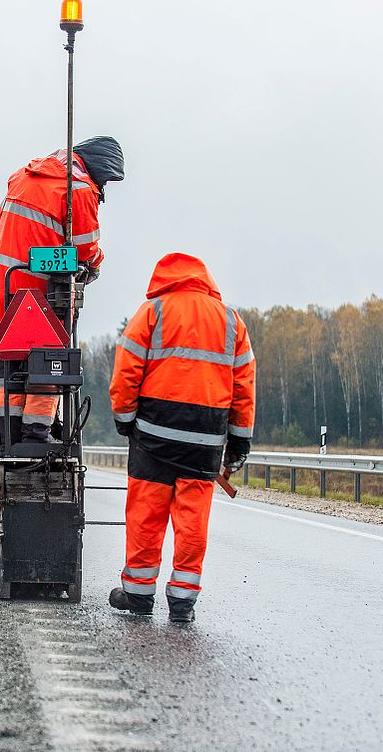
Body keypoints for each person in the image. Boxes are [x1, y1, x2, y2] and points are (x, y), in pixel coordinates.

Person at [106, 252, 256, 623]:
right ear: (205, 280)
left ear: (165, 278)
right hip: (205, 442)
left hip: (152, 438)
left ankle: (139, 596)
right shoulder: (230, 322)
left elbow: (126, 370)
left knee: (146, 516)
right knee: (192, 521)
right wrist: (238, 442)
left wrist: (125, 420)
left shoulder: (152, 313)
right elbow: (244, 389)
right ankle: (183, 602)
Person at [0, 136, 124, 443]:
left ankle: (11, 434)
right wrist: (95, 264)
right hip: (41, 296)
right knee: (49, 364)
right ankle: (37, 432)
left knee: (10, 370)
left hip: (2, 289)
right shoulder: (78, 189)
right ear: (100, 170)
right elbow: (85, 249)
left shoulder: (22, 176)